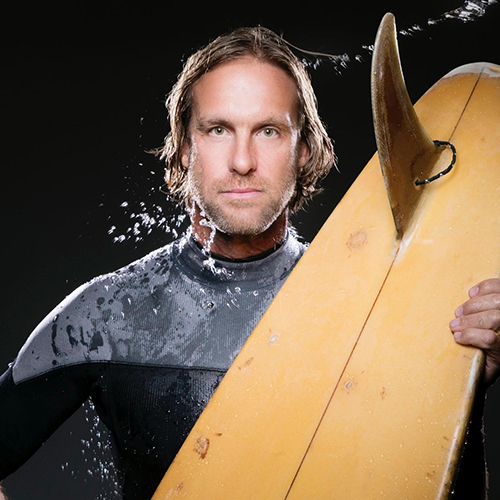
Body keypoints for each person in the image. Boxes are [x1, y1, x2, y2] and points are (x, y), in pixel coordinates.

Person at [1, 26, 499, 500]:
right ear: (184, 150)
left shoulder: (373, 311)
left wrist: (462, 386)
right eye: (218, 129)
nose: (242, 161)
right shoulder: (107, 315)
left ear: (304, 150)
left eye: (268, 131)